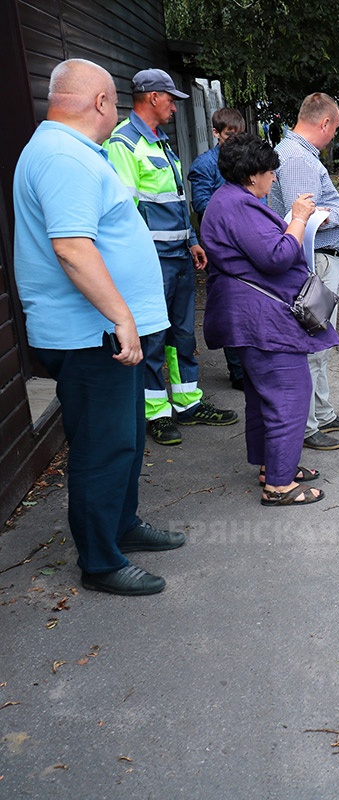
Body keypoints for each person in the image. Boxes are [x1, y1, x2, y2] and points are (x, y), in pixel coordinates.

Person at [13, 58, 186, 595]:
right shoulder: (64, 157)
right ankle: (100, 562)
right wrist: (122, 316)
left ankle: (122, 527)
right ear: (102, 103)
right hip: (93, 337)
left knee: (127, 439)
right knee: (102, 448)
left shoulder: (69, 151)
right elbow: (71, 247)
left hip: (104, 334)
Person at [201, 132, 339, 505]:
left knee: (264, 397)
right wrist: (298, 220)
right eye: (269, 173)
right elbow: (276, 256)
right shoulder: (239, 205)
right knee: (289, 395)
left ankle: (273, 465)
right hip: (261, 320)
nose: (274, 179)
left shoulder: (229, 200)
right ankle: (279, 486)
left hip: (251, 316)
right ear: (252, 176)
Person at [104, 68, 237, 446]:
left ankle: (189, 403)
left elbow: (176, 200)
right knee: (153, 338)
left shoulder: (161, 142)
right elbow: (123, 213)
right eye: (171, 100)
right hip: (151, 263)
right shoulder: (124, 144)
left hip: (178, 256)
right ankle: (157, 414)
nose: (176, 108)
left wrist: (193, 239)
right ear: (152, 97)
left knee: (182, 335)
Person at [268, 92, 339, 451]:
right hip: (316, 261)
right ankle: (308, 426)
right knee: (311, 344)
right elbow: (302, 218)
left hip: (322, 259)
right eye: (335, 128)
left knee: (320, 344)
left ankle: (322, 414)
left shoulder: (297, 154)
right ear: (324, 123)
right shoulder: (296, 158)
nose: (334, 136)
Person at [188, 107, 247, 391]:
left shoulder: (244, 161)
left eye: (239, 135)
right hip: (220, 248)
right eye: (228, 136)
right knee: (229, 308)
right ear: (215, 133)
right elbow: (201, 204)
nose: (234, 141)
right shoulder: (204, 165)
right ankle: (238, 373)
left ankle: (249, 367)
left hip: (247, 244)